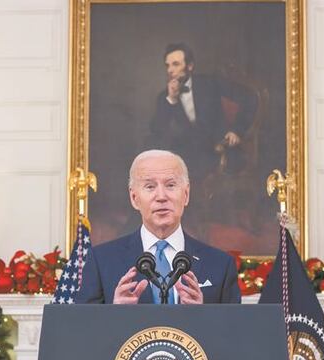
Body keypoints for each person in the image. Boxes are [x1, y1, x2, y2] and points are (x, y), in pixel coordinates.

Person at [76, 150, 241, 305]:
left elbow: (233, 332)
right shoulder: (102, 261)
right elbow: (83, 329)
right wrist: (114, 315)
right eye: (150, 187)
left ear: (186, 195)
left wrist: (202, 316)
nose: (161, 197)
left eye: (170, 185)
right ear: (134, 198)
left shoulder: (220, 265)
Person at [148, 43, 258, 189]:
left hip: (219, 150)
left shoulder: (210, 83)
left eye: (175, 64)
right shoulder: (165, 97)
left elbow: (249, 97)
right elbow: (158, 132)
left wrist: (237, 130)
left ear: (190, 66)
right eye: (167, 65)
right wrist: (172, 100)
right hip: (187, 156)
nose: (170, 70)